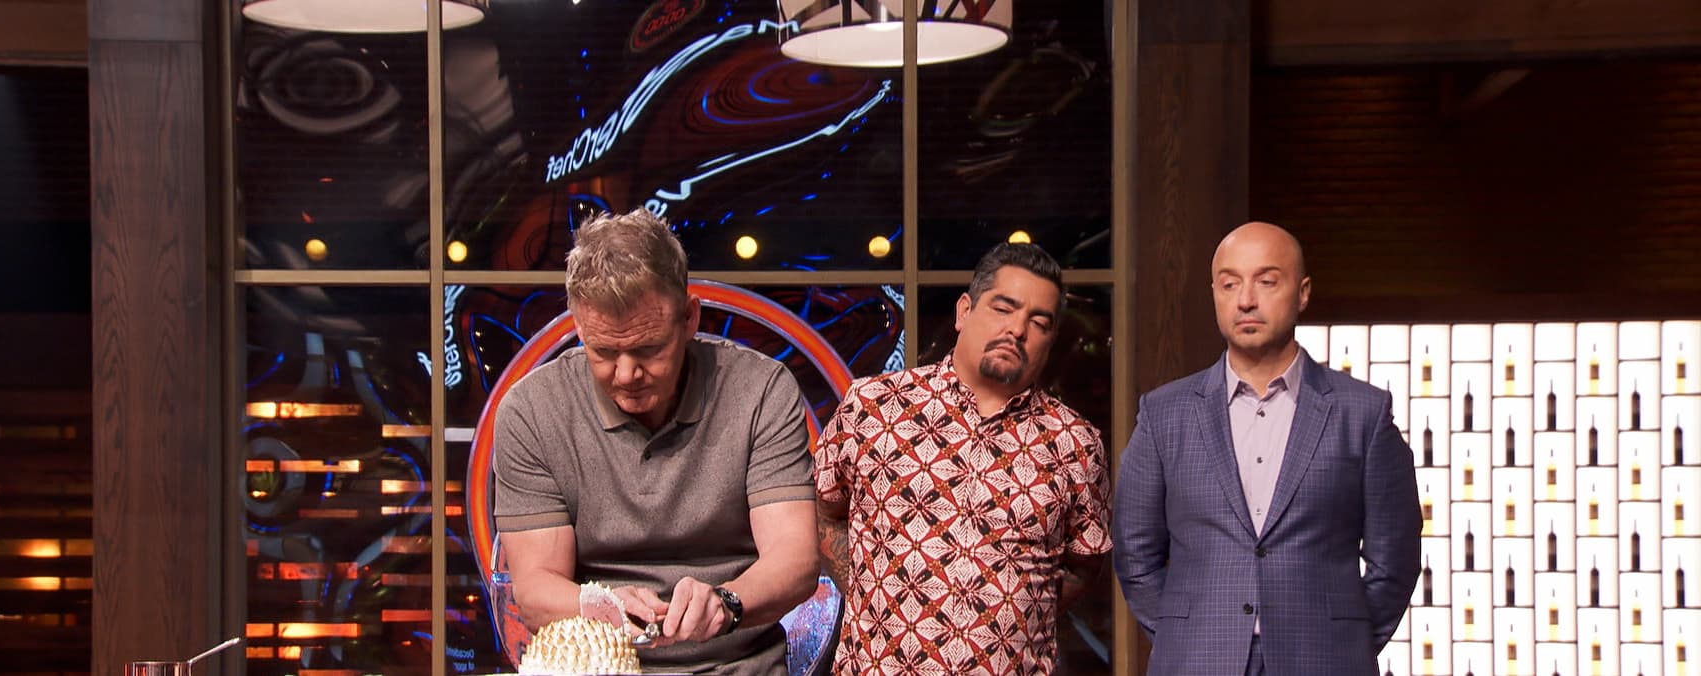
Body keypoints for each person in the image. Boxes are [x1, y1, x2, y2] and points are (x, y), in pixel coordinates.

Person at [491, 208, 821, 674]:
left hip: (738, 665)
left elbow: (795, 560)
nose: (627, 374)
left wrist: (726, 603)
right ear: (579, 327)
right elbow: (535, 590)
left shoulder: (760, 390)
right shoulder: (531, 410)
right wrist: (596, 604)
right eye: (604, 351)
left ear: (689, 318)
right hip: (601, 667)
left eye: (648, 349)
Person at [1111, 222, 1421, 675]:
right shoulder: (1164, 414)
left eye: (1267, 281)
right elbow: (1134, 553)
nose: (1245, 300)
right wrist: (1185, 635)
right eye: (1229, 284)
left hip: (1324, 661)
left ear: (1303, 292)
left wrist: (1344, 642)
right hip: (1198, 660)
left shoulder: (1363, 413)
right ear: (1214, 294)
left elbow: (1395, 558)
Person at [814, 242, 1111, 675]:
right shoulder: (873, 406)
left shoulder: (1076, 443)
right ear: (964, 312)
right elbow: (825, 509)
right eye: (1003, 308)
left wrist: (1011, 606)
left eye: (1038, 322)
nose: (1017, 330)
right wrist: (873, 588)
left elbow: (1084, 564)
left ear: (1051, 340)